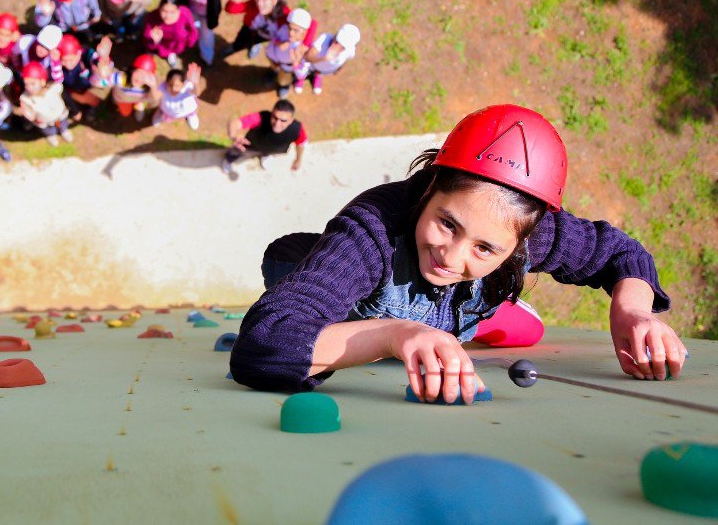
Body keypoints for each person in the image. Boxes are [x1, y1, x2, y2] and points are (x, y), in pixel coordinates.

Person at [230, 105, 686, 404]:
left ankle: (479, 314)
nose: (450, 255)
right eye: (447, 223)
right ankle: (441, 321)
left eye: (485, 248)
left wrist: (633, 312)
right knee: (287, 261)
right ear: (429, 185)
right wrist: (393, 334)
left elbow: (620, 253)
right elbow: (264, 343)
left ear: (520, 241)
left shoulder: (531, 235)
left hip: (451, 312)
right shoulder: (372, 230)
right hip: (336, 288)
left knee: (502, 323)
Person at [221, 0, 318, 60]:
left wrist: (304, 45)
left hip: (268, 35)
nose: (259, 3)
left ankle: (255, 45)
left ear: (274, 0)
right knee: (240, 42)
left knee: (258, 41)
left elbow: (312, 23)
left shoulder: (284, 13)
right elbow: (231, 10)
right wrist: (233, 0)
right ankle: (234, 48)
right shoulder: (253, 5)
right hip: (249, 30)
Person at [221, 99, 308, 174]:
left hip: (274, 149)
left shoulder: (297, 129)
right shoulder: (261, 117)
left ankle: (265, 156)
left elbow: (301, 144)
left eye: (283, 120)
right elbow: (234, 122)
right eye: (275, 117)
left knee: (270, 152)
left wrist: (298, 160)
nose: (277, 123)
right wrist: (233, 136)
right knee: (237, 150)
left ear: (291, 120)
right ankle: (230, 159)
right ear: (272, 113)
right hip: (250, 144)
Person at [15, 62, 73, 146]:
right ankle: (51, 136)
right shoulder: (25, 98)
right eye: (26, 84)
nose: (29, 87)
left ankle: (64, 131)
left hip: (60, 115)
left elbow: (59, 84)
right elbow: (31, 116)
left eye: (32, 83)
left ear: (42, 82)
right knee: (48, 130)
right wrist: (26, 114)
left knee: (63, 124)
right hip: (44, 122)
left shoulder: (52, 88)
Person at [58, 33, 113, 123]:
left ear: (78, 53)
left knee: (93, 99)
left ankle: (92, 107)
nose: (68, 64)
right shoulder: (57, 66)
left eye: (71, 59)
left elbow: (102, 68)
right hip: (71, 91)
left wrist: (103, 57)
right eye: (64, 60)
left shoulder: (86, 54)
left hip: (90, 87)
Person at [35, 0, 101, 45]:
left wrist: (96, 15)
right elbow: (40, 23)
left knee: (87, 41)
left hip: (83, 25)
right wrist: (45, 14)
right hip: (62, 28)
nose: (67, 3)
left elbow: (93, 4)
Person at [266, 8, 314, 99]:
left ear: (305, 32)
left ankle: (283, 85)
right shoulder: (284, 29)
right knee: (273, 68)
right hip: (274, 58)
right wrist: (279, 43)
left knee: (283, 79)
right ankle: (273, 73)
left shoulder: (305, 49)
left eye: (296, 30)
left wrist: (296, 63)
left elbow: (301, 74)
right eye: (290, 28)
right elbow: (274, 37)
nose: (291, 33)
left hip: (287, 67)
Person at [302, 24, 361, 95]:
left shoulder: (349, 51)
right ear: (336, 35)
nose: (336, 45)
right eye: (336, 41)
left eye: (343, 46)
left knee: (319, 73)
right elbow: (308, 57)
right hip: (312, 65)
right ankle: (301, 78)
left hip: (325, 70)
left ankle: (317, 76)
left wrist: (337, 69)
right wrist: (324, 58)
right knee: (302, 71)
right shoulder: (324, 38)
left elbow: (345, 59)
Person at [143, 0, 198, 69]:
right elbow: (146, 36)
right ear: (159, 9)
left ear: (178, 10)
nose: (168, 16)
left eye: (172, 12)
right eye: (164, 11)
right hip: (160, 45)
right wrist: (154, 41)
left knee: (172, 55)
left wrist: (190, 42)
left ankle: (171, 56)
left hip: (176, 46)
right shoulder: (152, 17)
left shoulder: (185, 14)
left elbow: (192, 30)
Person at [103, 53, 160, 123]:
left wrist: (153, 87)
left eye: (144, 76)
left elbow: (155, 98)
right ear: (133, 70)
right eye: (139, 73)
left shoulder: (148, 87)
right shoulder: (121, 78)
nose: (140, 79)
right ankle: (114, 98)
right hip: (123, 100)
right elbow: (105, 79)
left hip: (138, 100)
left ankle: (137, 105)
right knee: (126, 113)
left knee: (139, 107)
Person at [152, 63, 206, 131]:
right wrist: (152, 85)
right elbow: (155, 97)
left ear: (183, 84)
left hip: (187, 110)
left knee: (190, 113)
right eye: (170, 85)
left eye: (177, 86)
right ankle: (161, 112)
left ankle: (191, 116)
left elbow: (197, 93)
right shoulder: (163, 87)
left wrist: (195, 83)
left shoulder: (187, 87)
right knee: (162, 109)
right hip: (167, 110)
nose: (173, 89)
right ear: (166, 83)